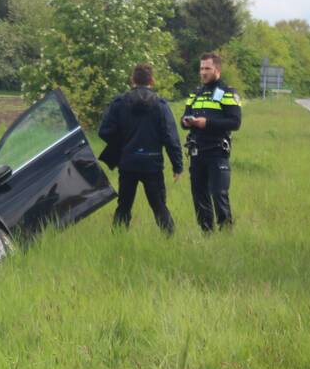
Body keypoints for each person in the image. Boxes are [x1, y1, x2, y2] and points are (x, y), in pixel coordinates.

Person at [98, 63, 183, 234]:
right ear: (152, 80)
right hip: (152, 164)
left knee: (123, 206)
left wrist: (121, 143)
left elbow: (104, 131)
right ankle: (170, 239)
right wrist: (177, 165)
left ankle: (117, 239)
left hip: (128, 162)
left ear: (132, 80)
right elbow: (170, 137)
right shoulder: (160, 105)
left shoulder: (119, 103)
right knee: (159, 206)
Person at [181, 53, 242, 231]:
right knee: (199, 195)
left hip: (217, 151)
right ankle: (206, 232)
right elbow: (184, 117)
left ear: (217, 69)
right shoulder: (195, 94)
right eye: (201, 68)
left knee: (218, 194)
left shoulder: (227, 92)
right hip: (196, 151)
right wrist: (186, 121)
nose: (203, 72)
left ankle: (225, 232)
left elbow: (235, 122)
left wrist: (207, 123)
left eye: (207, 68)